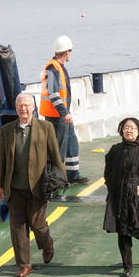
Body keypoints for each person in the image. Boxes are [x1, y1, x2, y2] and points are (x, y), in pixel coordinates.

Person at [0, 92, 67, 277]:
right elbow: (3, 160)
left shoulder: (46, 128)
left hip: (37, 186)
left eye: (27, 105)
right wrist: (0, 185)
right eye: (20, 105)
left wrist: (62, 179)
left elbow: (55, 155)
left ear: (33, 107)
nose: (23, 108)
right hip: (15, 187)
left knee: (38, 223)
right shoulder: (7, 130)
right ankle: (24, 265)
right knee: (17, 227)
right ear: (16, 108)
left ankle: (47, 243)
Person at [101, 116, 139, 277]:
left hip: (136, 197)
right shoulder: (115, 150)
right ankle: (127, 266)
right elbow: (108, 170)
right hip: (118, 198)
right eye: (126, 127)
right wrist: (110, 185)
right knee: (123, 232)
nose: (129, 130)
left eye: (132, 128)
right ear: (121, 130)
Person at [40, 35, 89, 184]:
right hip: (56, 117)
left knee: (71, 143)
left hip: (63, 115)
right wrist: (64, 113)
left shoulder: (59, 67)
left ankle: (72, 175)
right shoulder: (51, 68)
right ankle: (56, 180)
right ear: (67, 52)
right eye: (70, 52)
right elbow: (53, 94)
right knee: (58, 149)